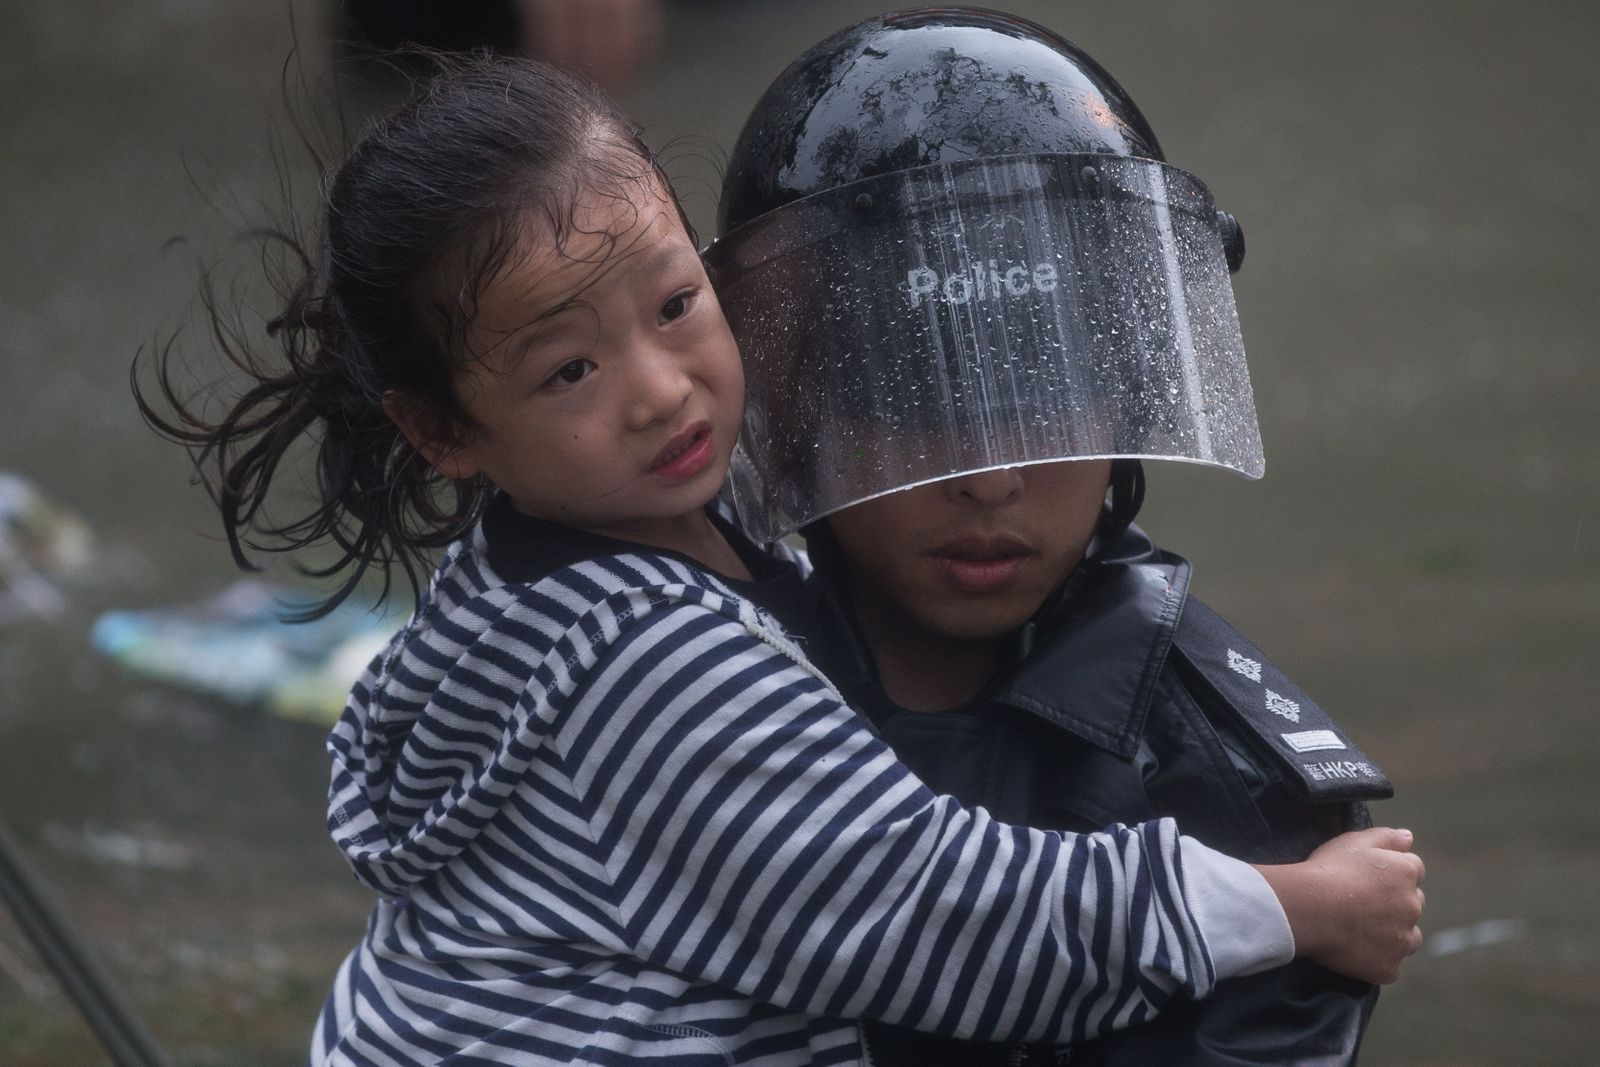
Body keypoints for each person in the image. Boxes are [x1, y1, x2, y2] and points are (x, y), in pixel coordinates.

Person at [136, 56, 1422, 1065]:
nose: (661, 395)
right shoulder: (654, 665)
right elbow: (935, 918)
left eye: (677, 304)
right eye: (571, 368)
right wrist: (1287, 907)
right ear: (445, 431)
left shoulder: (582, 527)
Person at [706, 9, 1419, 1065]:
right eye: (915, 406)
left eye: (1042, 401)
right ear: (801, 413)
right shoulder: (686, 688)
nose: (990, 480)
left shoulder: (1228, 781)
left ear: (1124, 404)